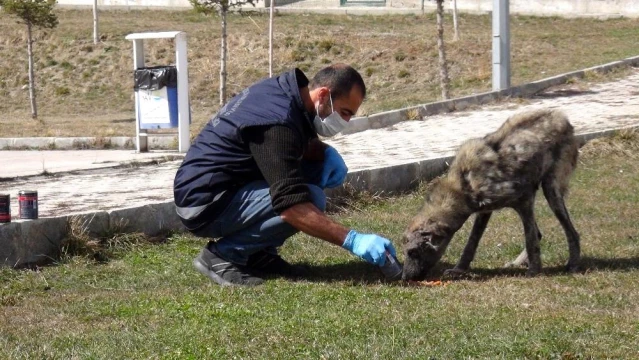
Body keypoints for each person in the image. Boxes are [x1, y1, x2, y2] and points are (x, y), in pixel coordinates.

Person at [173, 64, 397, 286]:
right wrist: (353, 240)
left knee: (315, 169)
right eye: (344, 112)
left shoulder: (288, 93)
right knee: (309, 199)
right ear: (323, 94)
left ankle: (257, 253)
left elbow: (290, 144)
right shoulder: (276, 121)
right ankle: (222, 256)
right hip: (203, 202)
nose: (345, 122)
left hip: (226, 184)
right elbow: (290, 204)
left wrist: (324, 152)